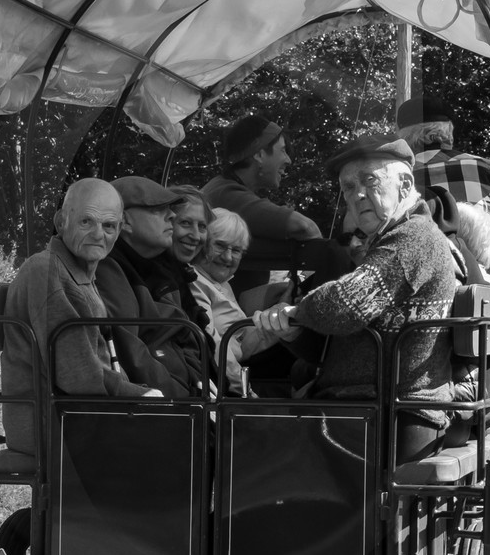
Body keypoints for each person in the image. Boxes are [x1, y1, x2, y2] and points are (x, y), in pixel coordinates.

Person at [252, 132, 456, 462]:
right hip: (360, 411)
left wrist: (296, 309)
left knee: (250, 453)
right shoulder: (389, 239)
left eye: (369, 180)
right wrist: (294, 332)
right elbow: (339, 343)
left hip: (385, 416)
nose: (358, 194)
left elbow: (342, 307)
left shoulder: (413, 238)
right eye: (348, 187)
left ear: (404, 184)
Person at [1, 178, 162, 459]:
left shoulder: (80, 273)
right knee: (184, 442)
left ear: (120, 230)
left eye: (109, 226)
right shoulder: (47, 271)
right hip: (55, 421)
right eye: (86, 221)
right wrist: (138, 395)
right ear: (61, 222)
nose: (99, 234)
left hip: (81, 413)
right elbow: (76, 375)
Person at [93, 174, 207, 395]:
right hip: (162, 411)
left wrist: (197, 381)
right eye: (158, 209)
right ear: (124, 222)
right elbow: (131, 355)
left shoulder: (161, 270)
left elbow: (185, 336)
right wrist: (185, 400)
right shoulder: (109, 268)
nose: (172, 216)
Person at [200, 114, 322, 298]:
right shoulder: (227, 194)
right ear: (259, 154)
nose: (288, 160)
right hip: (223, 311)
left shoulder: (223, 189)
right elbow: (305, 227)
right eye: (282, 150)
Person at [395, 93, 490, 283]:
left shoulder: (396, 176)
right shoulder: (487, 168)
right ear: (447, 131)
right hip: (477, 286)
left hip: (411, 282)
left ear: (403, 135)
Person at [189, 208, 296, 393]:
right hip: (229, 378)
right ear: (202, 243)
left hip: (250, 362)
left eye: (237, 250)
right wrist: (245, 392)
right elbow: (213, 347)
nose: (228, 257)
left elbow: (243, 341)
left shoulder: (221, 284)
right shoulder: (195, 282)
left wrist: (282, 312)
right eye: (220, 246)